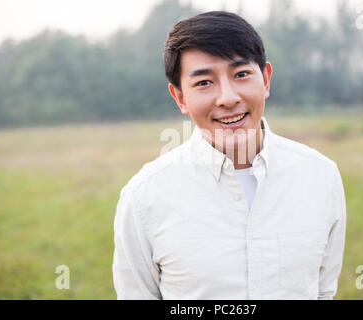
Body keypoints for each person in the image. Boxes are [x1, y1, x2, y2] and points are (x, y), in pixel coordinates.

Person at [112, 11, 346, 300]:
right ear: (180, 97)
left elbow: (323, 291)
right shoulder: (144, 197)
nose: (228, 98)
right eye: (204, 83)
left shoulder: (321, 176)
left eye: (241, 74)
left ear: (266, 80)